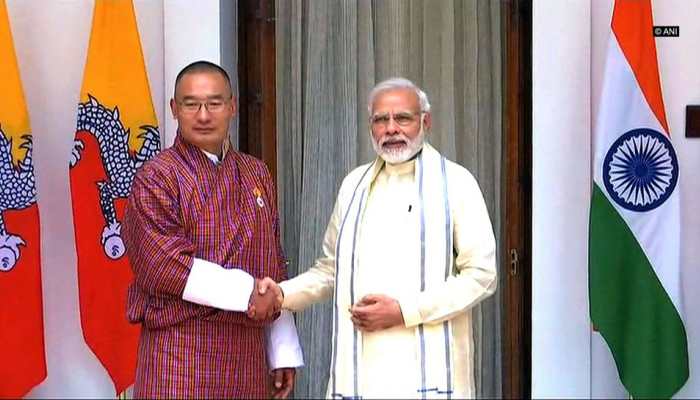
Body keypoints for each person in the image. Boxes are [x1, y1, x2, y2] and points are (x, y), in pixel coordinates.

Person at [258, 77, 497, 398]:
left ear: (425, 121)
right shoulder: (353, 185)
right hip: (360, 373)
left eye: (403, 118)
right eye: (381, 119)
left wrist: (404, 311)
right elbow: (331, 270)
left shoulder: (455, 183)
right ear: (370, 126)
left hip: (430, 375)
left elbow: (482, 276)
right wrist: (280, 295)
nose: (391, 129)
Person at [123, 60, 303, 399]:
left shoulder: (255, 173)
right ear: (175, 109)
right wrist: (250, 292)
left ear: (232, 107)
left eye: (214, 103)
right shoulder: (157, 176)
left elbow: (270, 262)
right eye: (191, 104)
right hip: (181, 350)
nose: (203, 115)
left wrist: (281, 349)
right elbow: (165, 267)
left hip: (247, 353)